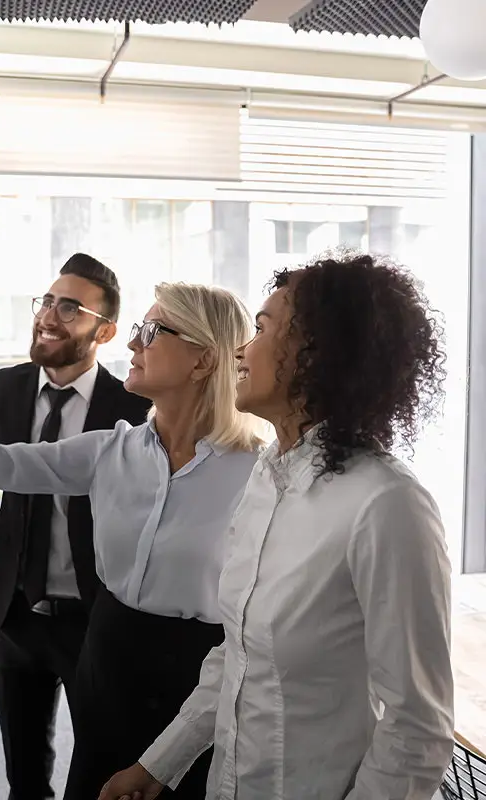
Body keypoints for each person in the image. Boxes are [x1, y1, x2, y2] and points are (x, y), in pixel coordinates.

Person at [100, 252, 454, 800]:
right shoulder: (267, 475)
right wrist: (157, 767)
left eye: (262, 329)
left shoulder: (387, 505)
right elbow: (235, 656)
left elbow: (416, 730)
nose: (241, 348)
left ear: (316, 354)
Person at [0, 280, 264, 800]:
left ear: (203, 361)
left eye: (151, 331)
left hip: (199, 676)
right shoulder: (110, 451)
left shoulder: (258, 473)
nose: (131, 344)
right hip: (109, 654)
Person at [0, 253, 151, 800]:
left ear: (105, 331)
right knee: (24, 779)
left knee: (103, 773)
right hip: (16, 613)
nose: (49, 315)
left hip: (95, 621)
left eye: (70, 308)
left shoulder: (132, 406)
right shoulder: (5, 388)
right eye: (47, 301)